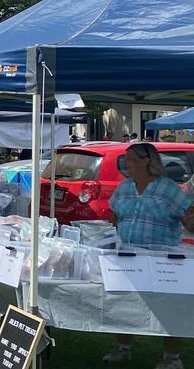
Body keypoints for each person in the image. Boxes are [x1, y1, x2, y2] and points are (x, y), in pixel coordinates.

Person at [102, 142, 194, 368]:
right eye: (125, 158)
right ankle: (122, 349)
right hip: (129, 255)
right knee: (126, 303)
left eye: (131, 158)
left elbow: (188, 219)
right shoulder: (124, 187)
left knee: (169, 305)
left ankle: (171, 357)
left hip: (161, 258)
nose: (126, 162)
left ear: (146, 161)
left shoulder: (168, 188)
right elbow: (114, 214)